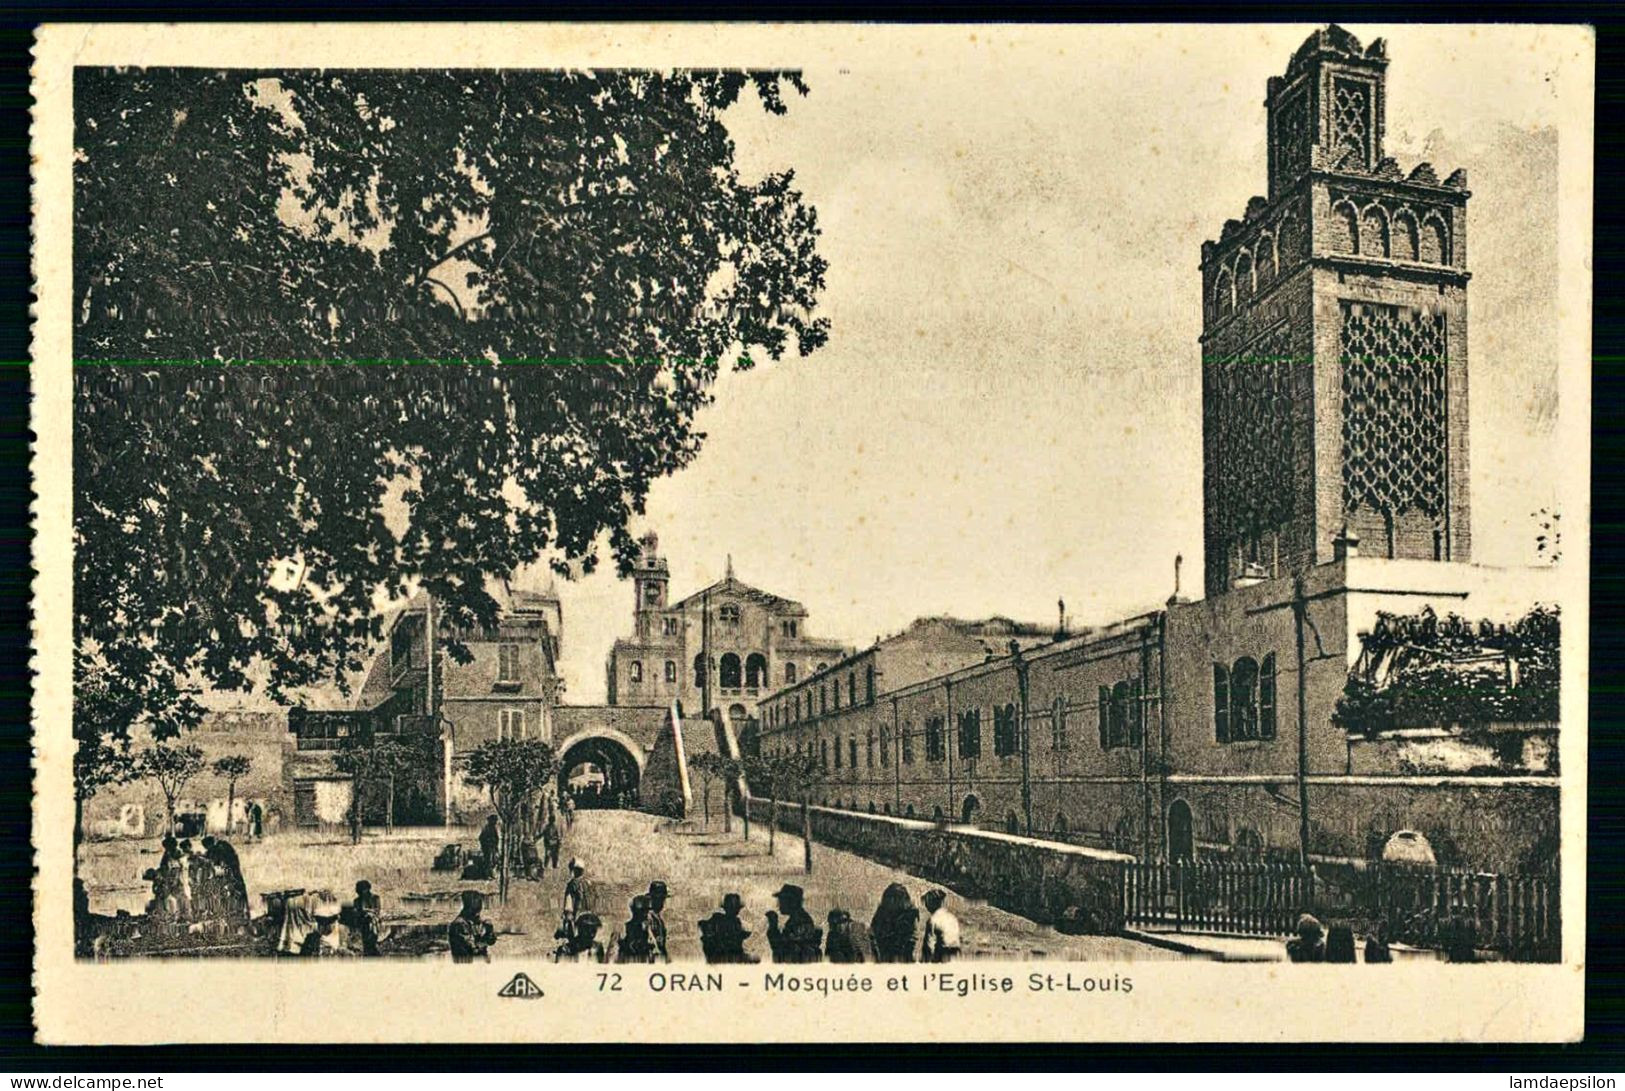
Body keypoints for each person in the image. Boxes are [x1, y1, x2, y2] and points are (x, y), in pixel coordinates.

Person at [765, 884, 822, 963]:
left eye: (782, 900)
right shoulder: (796, 920)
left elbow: (781, 948)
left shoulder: (800, 921)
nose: (779, 905)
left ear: (792, 902)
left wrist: (773, 926)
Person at [699, 893, 756, 964]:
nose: (737, 911)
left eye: (736, 909)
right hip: (726, 955)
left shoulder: (735, 921)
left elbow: (739, 934)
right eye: (734, 908)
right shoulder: (718, 918)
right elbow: (703, 925)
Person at [869, 883, 919, 963]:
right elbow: (873, 933)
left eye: (894, 899)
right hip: (884, 956)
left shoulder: (909, 915)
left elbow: (911, 939)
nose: (891, 901)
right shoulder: (881, 913)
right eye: (890, 898)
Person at [201, 835, 248, 919]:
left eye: (207, 847)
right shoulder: (218, 848)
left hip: (231, 876)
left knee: (234, 896)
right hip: (231, 875)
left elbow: (222, 866)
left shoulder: (220, 849)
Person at [448, 890, 497, 963]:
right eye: (476, 909)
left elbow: (490, 941)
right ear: (469, 907)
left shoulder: (474, 920)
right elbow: (472, 948)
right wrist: (485, 940)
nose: (478, 914)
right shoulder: (459, 925)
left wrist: (489, 932)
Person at [920, 889, 961, 963]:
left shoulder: (933, 920)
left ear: (932, 903)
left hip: (940, 957)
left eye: (927, 903)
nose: (926, 907)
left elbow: (929, 945)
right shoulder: (952, 917)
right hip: (955, 956)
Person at [617, 895, 657, 963]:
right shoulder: (625, 928)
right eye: (642, 911)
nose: (645, 914)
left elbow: (654, 949)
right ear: (634, 911)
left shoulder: (648, 929)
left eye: (646, 911)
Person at [351, 880, 383, 957]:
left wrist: (369, 913)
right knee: (366, 944)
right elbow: (356, 913)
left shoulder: (375, 898)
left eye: (362, 889)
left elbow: (377, 910)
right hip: (363, 923)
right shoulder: (357, 901)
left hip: (373, 923)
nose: (359, 892)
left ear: (367, 889)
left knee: (371, 941)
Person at [646, 881, 671, 962]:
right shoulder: (649, 917)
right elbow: (652, 943)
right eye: (660, 899)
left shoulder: (657, 918)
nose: (662, 902)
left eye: (662, 899)